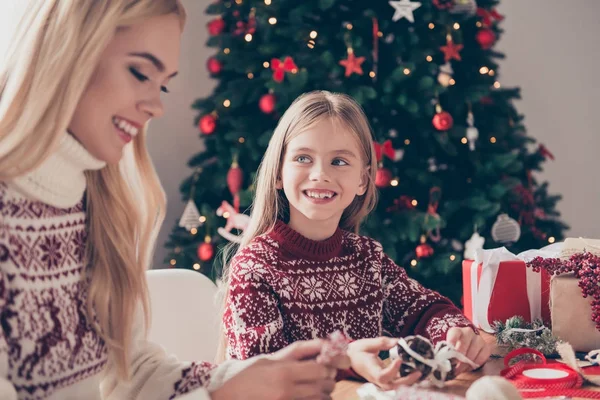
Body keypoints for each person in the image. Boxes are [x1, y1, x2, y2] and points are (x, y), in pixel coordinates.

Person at [0, 2, 347, 399]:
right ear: (66, 52)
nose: (156, 106)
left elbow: (133, 373)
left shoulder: (101, 207)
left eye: (161, 84)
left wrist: (246, 377)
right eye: (139, 73)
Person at [222, 91, 491, 390]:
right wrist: (345, 358)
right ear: (278, 173)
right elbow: (264, 374)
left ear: (363, 180)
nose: (320, 174)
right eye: (302, 158)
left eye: (338, 161)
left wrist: (455, 331)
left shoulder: (367, 258)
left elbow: (424, 309)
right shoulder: (254, 268)